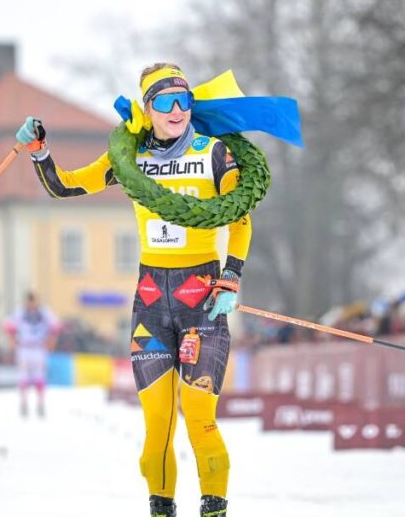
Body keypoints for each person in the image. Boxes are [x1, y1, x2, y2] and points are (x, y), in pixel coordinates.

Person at [17, 63, 252, 517]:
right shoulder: (131, 160)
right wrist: (40, 152)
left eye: (185, 100)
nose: (177, 110)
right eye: (165, 102)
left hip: (201, 301)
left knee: (199, 418)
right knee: (157, 427)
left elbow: (240, 217)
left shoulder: (213, 153)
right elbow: (67, 186)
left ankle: (214, 509)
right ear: (148, 108)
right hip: (150, 304)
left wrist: (231, 276)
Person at [4, 292, 61, 417]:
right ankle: (24, 402)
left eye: (33, 301)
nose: (31, 304)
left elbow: (56, 326)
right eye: (29, 301)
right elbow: (8, 326)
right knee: (23, 376)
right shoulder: (20, 313)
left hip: (39, 348)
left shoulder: (44, 313)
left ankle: (40, 403)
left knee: (39, 376)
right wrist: (12, 341)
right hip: (24, 348)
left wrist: (51, 341)